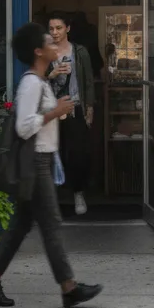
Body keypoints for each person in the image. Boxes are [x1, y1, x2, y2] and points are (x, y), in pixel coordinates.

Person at [0, 23, 102, 308]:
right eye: (48, 40)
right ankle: (69, 288)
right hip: (36, 162)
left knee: (21, 224)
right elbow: (23, 127)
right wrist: (55, 112)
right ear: (37, 51)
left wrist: (55, 109)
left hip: (42, 160)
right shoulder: (32, 83)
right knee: (51, 225)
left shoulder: (40, 80)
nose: (53, 42)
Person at [47, 12, 96, 216]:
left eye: (59, 28)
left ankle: (78, 193)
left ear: (67, 28)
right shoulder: (46, 52)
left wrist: (89, 108)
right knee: (52, 153)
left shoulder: (79, 51)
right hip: (51, 110)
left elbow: (88, 81)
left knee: (77, 154)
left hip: (75, 107)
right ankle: (52, 199)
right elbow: (36, 79)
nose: (55, 32)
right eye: (51, 29)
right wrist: (52, 74)